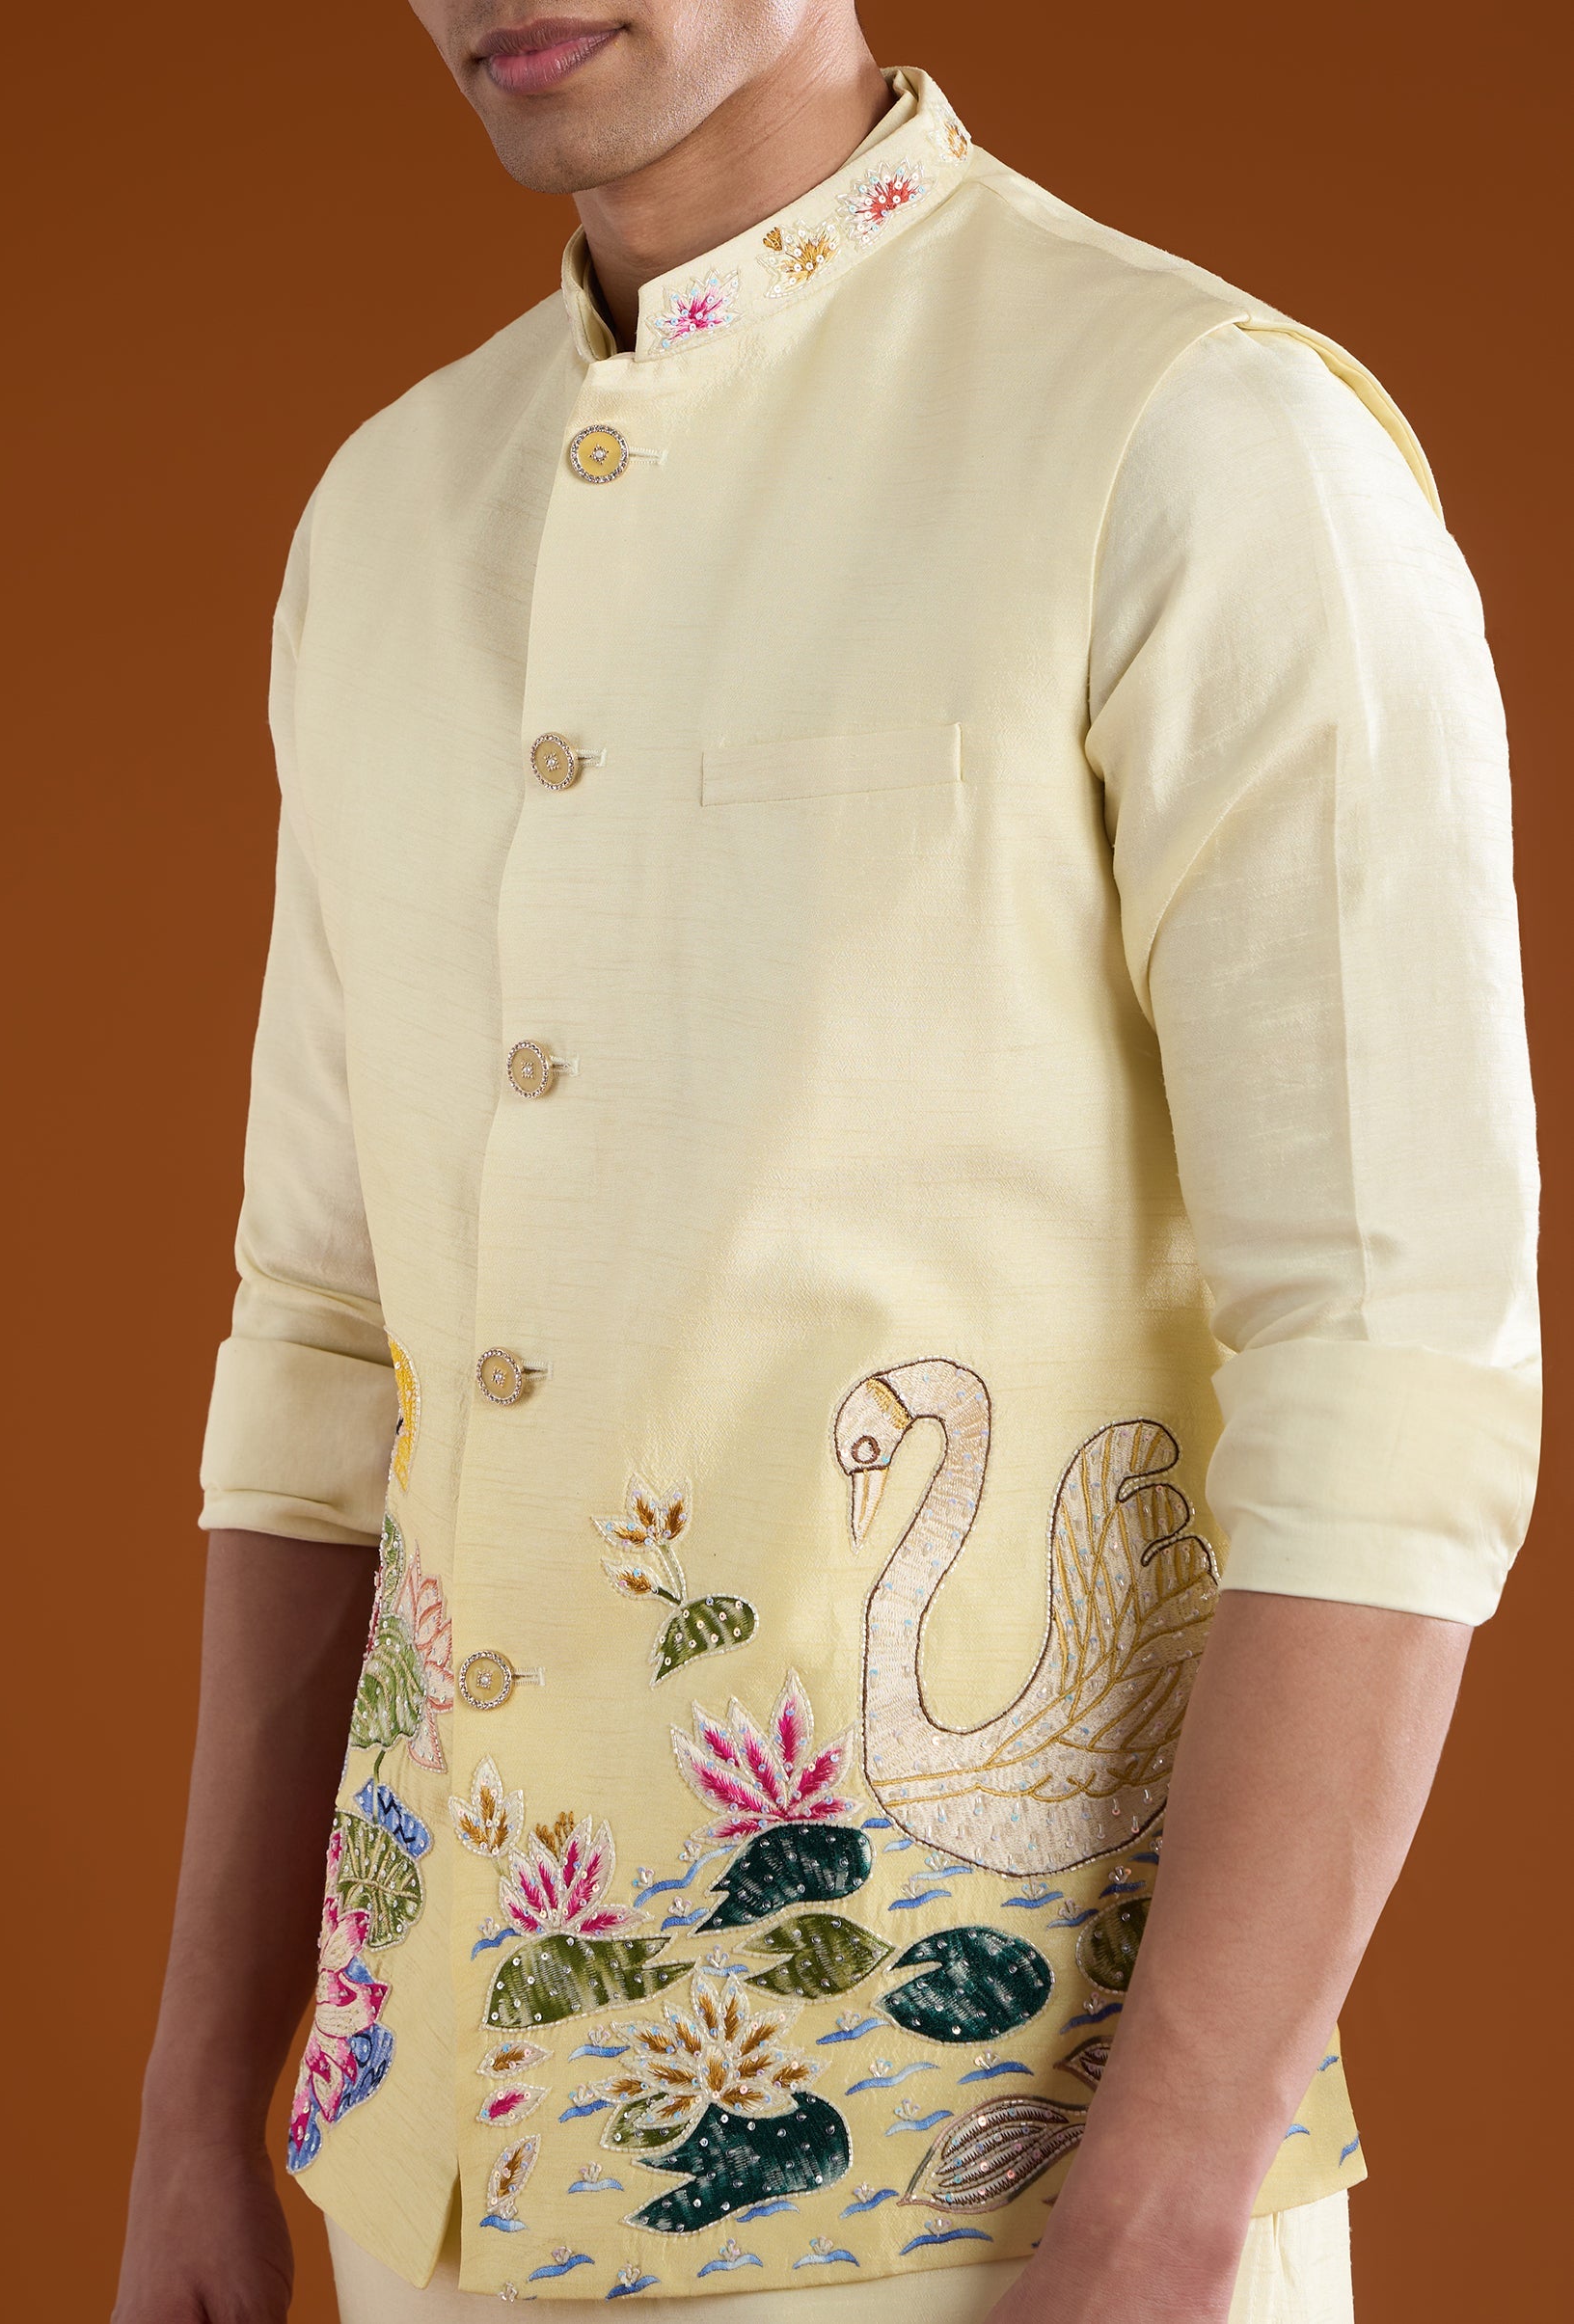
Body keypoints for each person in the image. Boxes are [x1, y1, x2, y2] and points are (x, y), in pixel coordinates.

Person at [112, 7, 1540, 2322]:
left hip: (1011, 2218)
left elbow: (1396, 1374)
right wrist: (198, 2098)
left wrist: (1163, 2211)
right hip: (425, 2194)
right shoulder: (383, 519)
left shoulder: (1195, 440)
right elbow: (318, 1341)